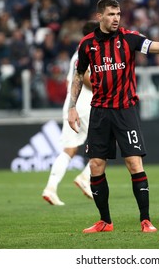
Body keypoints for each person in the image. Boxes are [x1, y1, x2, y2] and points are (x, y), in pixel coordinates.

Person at [68, 0, 159, 233]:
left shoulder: (129, 38)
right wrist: (72, 107)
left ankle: (145, 220)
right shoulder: (87, 44)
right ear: (100, 17)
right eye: (111, 14)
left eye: (118, 14)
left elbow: (158, 46)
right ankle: (105, 221)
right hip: (100, 112)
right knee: (96, 165)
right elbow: (78, 76)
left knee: (134, 162)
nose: (116, 18)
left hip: (125, 111)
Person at [42, 20, 99, 206]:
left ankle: (50, 188)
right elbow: (87, 79)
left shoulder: (77, 52)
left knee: (70, 149)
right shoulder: (91, 49)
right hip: (86, 103)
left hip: (72, 104)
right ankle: (85, 176)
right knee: (106, 140)